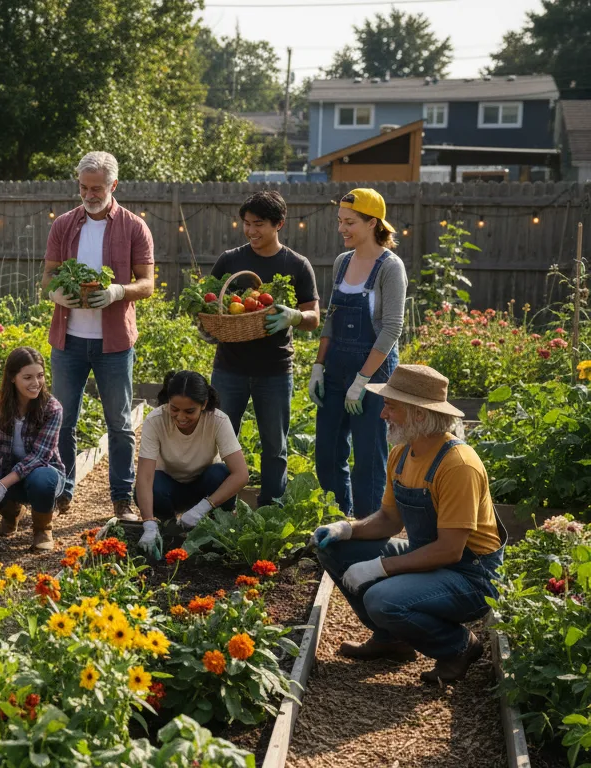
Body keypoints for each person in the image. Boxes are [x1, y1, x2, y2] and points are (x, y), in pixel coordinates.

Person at [313, 364, 505, 684]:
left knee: (382, 599)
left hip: (473, 575)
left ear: (418, 414)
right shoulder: (402, 452)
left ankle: (458, 646)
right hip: (429, 555)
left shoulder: (458, 465)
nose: (382, 414)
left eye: (391, 406)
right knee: (335, 549)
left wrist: (380, 568)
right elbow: (388, 519)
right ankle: (391, 640)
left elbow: (450, 550)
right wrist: (345, 529)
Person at [42, 151, 154, 522]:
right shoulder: (63, 226)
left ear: (113, 186)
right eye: (83, 187)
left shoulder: (134, 227)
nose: (89, 194)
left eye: (97, 188)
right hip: (69, 340)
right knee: (63, 420)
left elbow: (147, 283)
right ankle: (62, 491)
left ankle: (122, 498)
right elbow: (49, 277)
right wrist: (56, 293)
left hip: (114, 344)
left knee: (120, 424)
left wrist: (118, 292)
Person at [206, 190, 319, 506]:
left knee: (274, 447)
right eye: (247, 223)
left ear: (278, 224)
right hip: (229, 367)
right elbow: (208, 302)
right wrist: (209, 326)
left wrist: (295, 316)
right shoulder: (231, 260)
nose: (251, 231)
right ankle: (221, 509)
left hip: (274, 370)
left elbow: (313, 317)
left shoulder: (296, 264)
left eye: (259, 224)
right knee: (223, 444)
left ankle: (272, 509)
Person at [313, 189, 407, 518]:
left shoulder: (390, 267)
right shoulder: (342, 262)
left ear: (372, 223)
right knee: (327, 452)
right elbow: (331, 318)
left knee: (368, 459)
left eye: (350, 222)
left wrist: (363, 380)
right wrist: (318, 366)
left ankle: (369, 530)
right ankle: (338, 522)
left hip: (374, 376)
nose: (342, 228)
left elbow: (392, 329)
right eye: (340, 221)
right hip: (336, 370)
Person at [134, 371, 250, 559]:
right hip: (170, 488)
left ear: (204, 404)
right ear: (168, 402)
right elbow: (145, 477)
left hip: (204, 489)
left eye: (189, 411)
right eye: (174, 409)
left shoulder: (218, 420)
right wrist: (148, 523)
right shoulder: (155, 420)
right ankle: (168, 527)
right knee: (152, 486)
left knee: (220, 473)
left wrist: (203, 507)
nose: (180, 417)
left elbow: (241, 474)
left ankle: (215, 529)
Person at [0, 347, 66, 551]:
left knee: (42, 479)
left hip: (44, 472)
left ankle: (43, 528)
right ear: (13, 378)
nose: (36, 383)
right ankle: (12, 513)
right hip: (10, 474)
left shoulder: (52, 408)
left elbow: (39, 458)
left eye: (40, 376)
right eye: (28, 377)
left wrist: (0, 486)